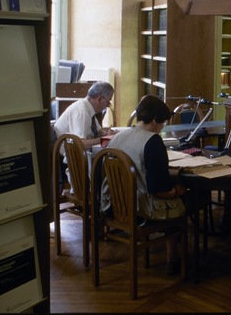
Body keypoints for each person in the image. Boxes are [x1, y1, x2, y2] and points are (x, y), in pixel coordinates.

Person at [102, 94, 187, 274]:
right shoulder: (153, 141)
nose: (163, 127)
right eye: (163, 122)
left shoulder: (117, 138)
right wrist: (177, 191)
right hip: (142, 209)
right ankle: (173, 257)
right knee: (190, 198)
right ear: (155, 120)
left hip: (116, 205)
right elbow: (159, 189)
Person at [53, 80, 116, 147]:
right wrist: (105, 139)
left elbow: (100, 132)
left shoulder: (89, 109)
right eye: (108, 102)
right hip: (70, 154)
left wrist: (109, 134)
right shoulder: (81, 112)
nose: (108, 105)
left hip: (80, 152)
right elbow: (80, 143)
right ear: (99, 99)